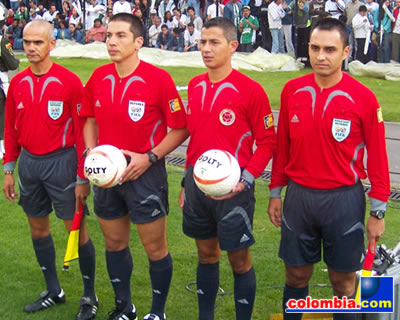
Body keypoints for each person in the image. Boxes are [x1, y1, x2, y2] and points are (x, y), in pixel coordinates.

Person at [267, 18, 390, 320]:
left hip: (343, 201)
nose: (321, 56)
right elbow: (282, 146)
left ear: (346, 51)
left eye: (330, 49)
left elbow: (378, 158)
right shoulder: (291, 91)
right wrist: (275, 191)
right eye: (315, 48)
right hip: (299, 199)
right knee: (296, 276)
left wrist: (378, 212)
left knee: (343, 282)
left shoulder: (364, 97)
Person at [80, 13, 188, 320]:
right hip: (106, 176)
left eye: (120, 36)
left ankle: (157, 312)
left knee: (155, 248)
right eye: (109, 35)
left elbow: (180, 128)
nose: (111, 41)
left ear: (138, 42)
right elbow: (88, 118)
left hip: (145, 175)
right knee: (114, 243)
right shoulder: (98, 78)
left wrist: (149, 157)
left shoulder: (159, 79)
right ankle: (125, 307)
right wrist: (91, 152)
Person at [179, 17, 277, 320]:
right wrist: (186, 182)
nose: (206, 49)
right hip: (198, 188)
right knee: (206, 255)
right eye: (202, 42)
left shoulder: (251, 91)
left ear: (233, 46)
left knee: (239, 261)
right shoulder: (195, 86)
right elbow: (195, 139)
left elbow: (267, 141)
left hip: (235, 191)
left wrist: (246, 180)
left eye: (214, 42)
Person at [2, 19, 98, 320]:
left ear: (51, 44)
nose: (30, 48)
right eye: (26, 42)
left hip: (63, 164)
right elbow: (11, 129)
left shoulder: (69, 82)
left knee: (76, 231)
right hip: (30, 164)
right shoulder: (17, 82)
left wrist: (82, 176)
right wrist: (9, 168)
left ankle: (89, 296)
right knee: (37, 228)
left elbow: (84, 130)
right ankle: (53, 290)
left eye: (38, 42)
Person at [0, 4, 19, 159]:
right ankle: (1, 149)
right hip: (1, 81)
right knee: (3, 114)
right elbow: (11, 64)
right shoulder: (3, 41)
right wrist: (16, 60)